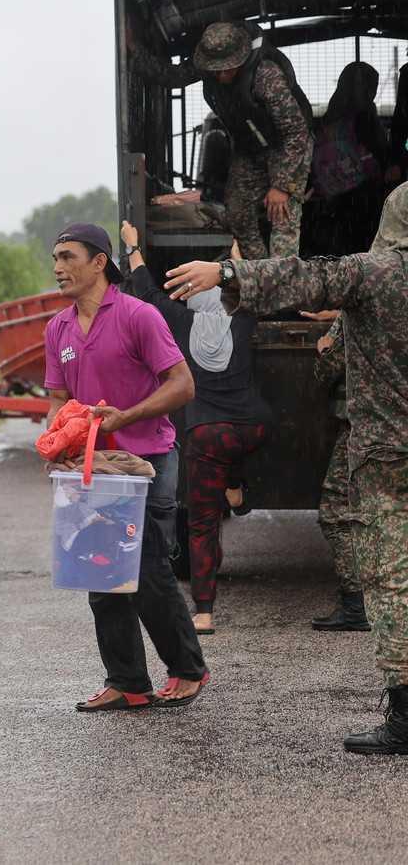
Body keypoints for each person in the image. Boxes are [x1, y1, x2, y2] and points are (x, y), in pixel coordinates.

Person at [167, 182, 408, 754]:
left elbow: (306, 275)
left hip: (387, 455)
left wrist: (226, 275)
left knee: (394, 579)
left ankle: (405, 717)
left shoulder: (374, 275)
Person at [43, 223, 209, 711]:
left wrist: (127, 415)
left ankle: (187, 670)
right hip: (91, 467)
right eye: (54, 258)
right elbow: (57, 398)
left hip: (147, 461)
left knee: (148, 568)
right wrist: (56, 441)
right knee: (99, 570)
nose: (58, 268)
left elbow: (183, 385)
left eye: (68, 256)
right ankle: (128, 682)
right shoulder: (59, 328)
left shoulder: (139, 315)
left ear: (99, 262)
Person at [120, 222, 271, 635]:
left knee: (203, 522)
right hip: (255, 426)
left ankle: (203, 612)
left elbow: (148, 294)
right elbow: (251, 286)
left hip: (208, 433)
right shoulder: (244, 320)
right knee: (235, 445)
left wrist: (134, 249)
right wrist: (237, 253)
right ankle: (237, 486)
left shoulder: (181, 325)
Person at [133, 22, 313, 259]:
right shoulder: (208, 66)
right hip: (250, 149)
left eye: (227, 69)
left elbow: (295, 132)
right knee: (238, 212)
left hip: (287, 148)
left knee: (281, 217)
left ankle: (283, 285)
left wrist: (281, 185)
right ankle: (257, 274)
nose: (220, 75)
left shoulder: (266, 75)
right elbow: (171, 76)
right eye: (215, 69)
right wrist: (133, 48)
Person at [307, 312, 370, 632]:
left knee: (335, 509)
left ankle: (356, 604)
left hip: (365, 428)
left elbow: (328, 371)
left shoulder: (356, 309)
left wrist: (324, 349)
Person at [308, 62, 388, 257]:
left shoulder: (333, 112)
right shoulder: (366, 114)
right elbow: (379, 151)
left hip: (331, 196)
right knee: (362, 242)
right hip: (363, 196)